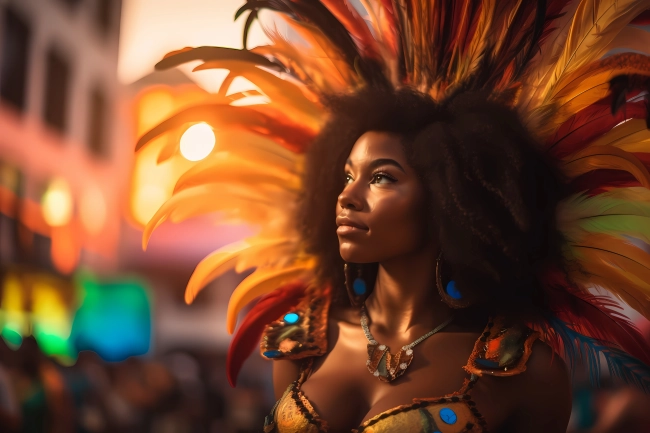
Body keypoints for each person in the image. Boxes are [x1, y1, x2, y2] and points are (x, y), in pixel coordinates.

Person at [135, 1, 650, 432]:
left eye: (381, 177)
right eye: (346, 176)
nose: (348, 196)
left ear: (448, 202)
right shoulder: (298, 344)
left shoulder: (524, 370)